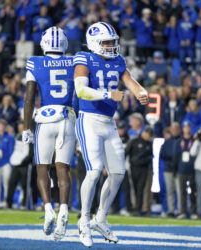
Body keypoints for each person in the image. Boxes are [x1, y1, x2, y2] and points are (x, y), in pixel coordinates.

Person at [73, 22, 148, 247]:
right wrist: (108, 93)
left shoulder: (118, 61)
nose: (111, 46)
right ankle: (83, 221)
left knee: (117, 173)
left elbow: (130, 82)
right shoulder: (84, 59)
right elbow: (81, 90)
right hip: (88, 120)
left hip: (109, 123)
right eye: (106, 42)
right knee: (95, 171)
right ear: (95, 43)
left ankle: (100, 218)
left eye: (112, 42)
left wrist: (141, 91)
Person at [22, 27, 76, 241]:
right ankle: (64, 209)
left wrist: (26, 127)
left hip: (45, 118)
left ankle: (48, 209)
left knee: (42, 168)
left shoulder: (35, 62)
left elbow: (29, 98)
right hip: (67, 118)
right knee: (63, 169)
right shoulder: (74, 62)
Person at [125, 126, 153, 216]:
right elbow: (126, 152)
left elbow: (150, 156)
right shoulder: (134, 141)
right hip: (133, 167)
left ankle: (138, 208)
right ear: (145, 133)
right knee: (134, 188)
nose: (150, 137)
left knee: (141, 188)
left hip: (144, 168)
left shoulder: (149, 144)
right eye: (149, 135)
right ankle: (132, 207)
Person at [0, 119, 15, 208]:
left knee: (6, 182)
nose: (1, 128)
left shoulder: (10, 137)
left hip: (6, 162)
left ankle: (6, 201)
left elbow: (11, 150)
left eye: (3, 126)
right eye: (0, 126)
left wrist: (10, 162)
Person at [175, 121, 197, 219]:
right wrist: (175, 169)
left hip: (192, 170)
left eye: (188, 127)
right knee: (182, 192)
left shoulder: (195, 141)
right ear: (183, 129)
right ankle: (182, 211)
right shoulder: (179, 141)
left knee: (193, 192)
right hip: (182, 169)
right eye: (185, 127)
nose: (187, 129)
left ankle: (193, 212)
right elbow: (175, 156)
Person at [160, 122, 180, 217]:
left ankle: (181, 210)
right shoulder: (167, 142)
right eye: (173, 128)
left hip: (179, 170)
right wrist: (173, 158)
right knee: (170, 191)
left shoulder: (181, 141)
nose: (175, 130)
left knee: (180, 191)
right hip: (168, 169)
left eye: (176, 128)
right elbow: (162, 155)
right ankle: (171, 210)